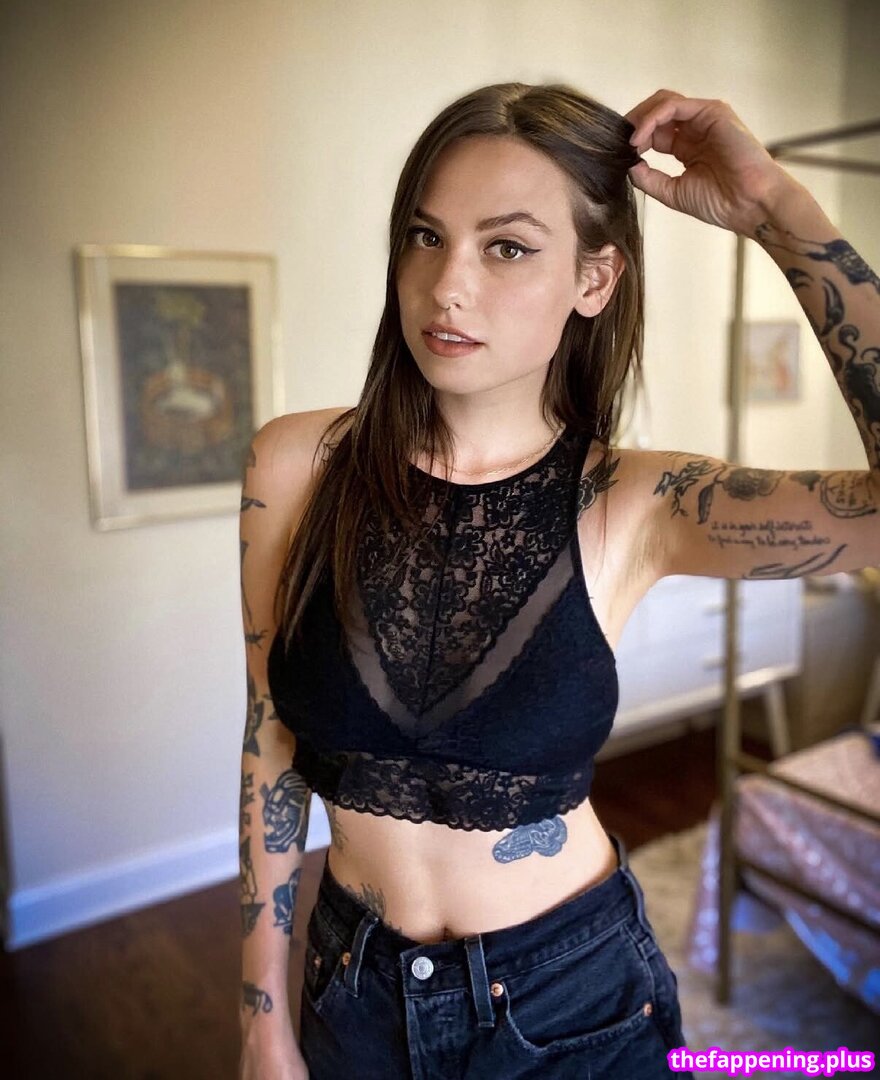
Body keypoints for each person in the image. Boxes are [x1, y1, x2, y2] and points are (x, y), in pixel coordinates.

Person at [237, 82, 880, 1079]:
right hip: (351, 990)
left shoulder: (640, 503)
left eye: (507, 247)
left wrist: (772, 208)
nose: (447, 285)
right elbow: (270, 741)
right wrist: (261, 1016)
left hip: (568, 1003)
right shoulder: (295, 466)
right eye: (426, 236)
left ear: (594, 278)